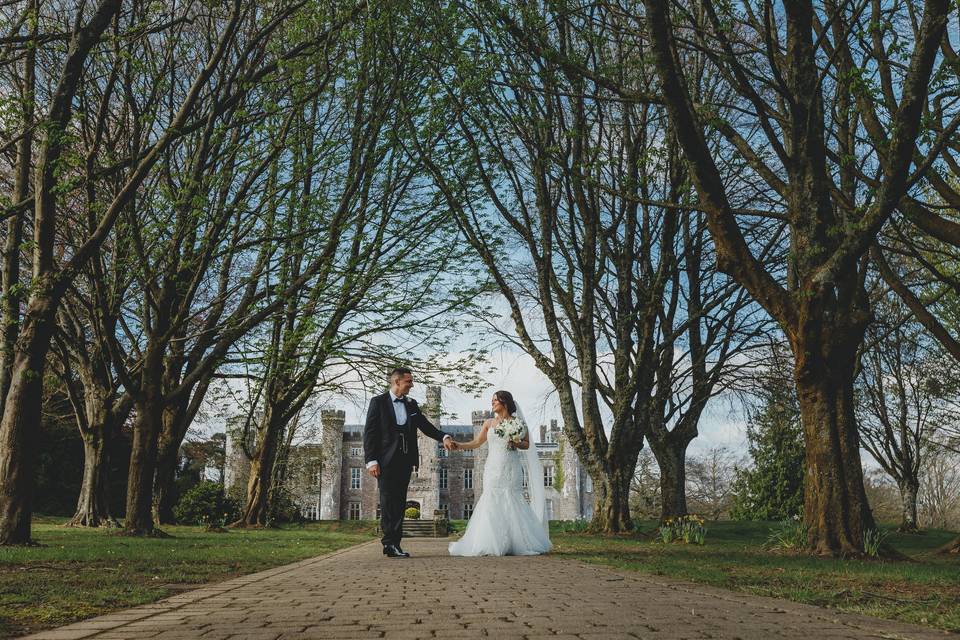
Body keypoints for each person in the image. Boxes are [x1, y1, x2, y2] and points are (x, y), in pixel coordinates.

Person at [364, 367, 456, 558]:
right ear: (397, 382)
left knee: (398, 502)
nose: (412, 385)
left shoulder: (412, 404)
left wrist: (444, 436)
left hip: (405, 461)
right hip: (385, 461)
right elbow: (370, 433)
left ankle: (394, 544)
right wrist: (371, 460)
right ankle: (389, 543)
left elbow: (425, 426)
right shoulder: (378, 402)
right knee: (388, 502)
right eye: (409, 381)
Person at [448, 390, 551, 556]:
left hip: (511, 466)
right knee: (491, 498)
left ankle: (517, 542)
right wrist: (458, 445)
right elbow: (477, 442)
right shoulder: (488, 423)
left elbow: (527, 445)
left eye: (495, 400)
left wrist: (515, 442)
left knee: (512, 498)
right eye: (492, 400)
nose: (492, 403)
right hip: (493, 467)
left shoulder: (518, 423)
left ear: (505, 403)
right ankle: (489, 542)